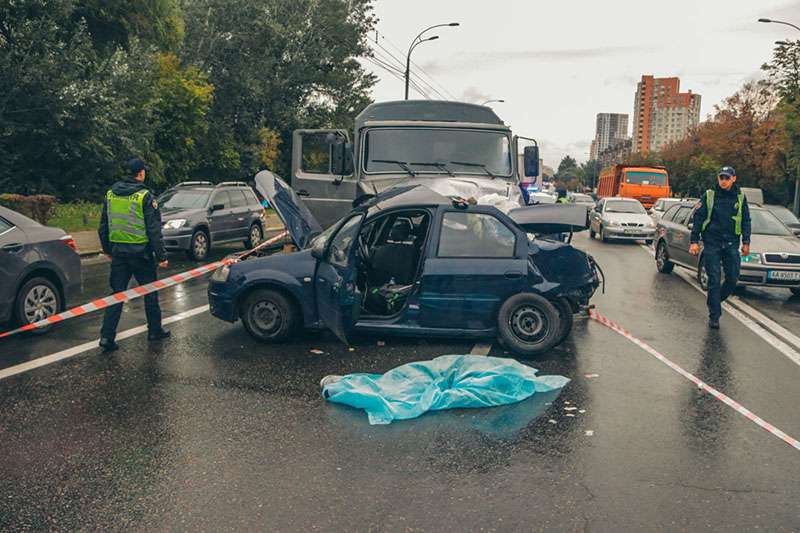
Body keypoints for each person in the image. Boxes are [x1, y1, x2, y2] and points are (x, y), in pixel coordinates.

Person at [98, 158, 170, 351]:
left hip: (119, 254)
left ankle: (106, 336)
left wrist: (107, 250)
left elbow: (103, 226)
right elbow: (153, 230)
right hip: (141, 255)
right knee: (150, 293)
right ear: (140, 174)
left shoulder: (111, 194)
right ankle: (155, 330)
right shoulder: (144, 196)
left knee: (116, 295)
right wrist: (162, 256)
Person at [689, 166, 751, 329]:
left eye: (727, 178)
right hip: (712, 242)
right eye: (721, 178)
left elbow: (746, 220)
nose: (723, 181)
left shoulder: (740, 197)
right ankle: (714, 316)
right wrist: (694, 241)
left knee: (732, 278)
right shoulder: (709, 195)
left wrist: (746, 242)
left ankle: (714, 300)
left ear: (733, 179)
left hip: (732, 243)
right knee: (714, 279)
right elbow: (698, 218)